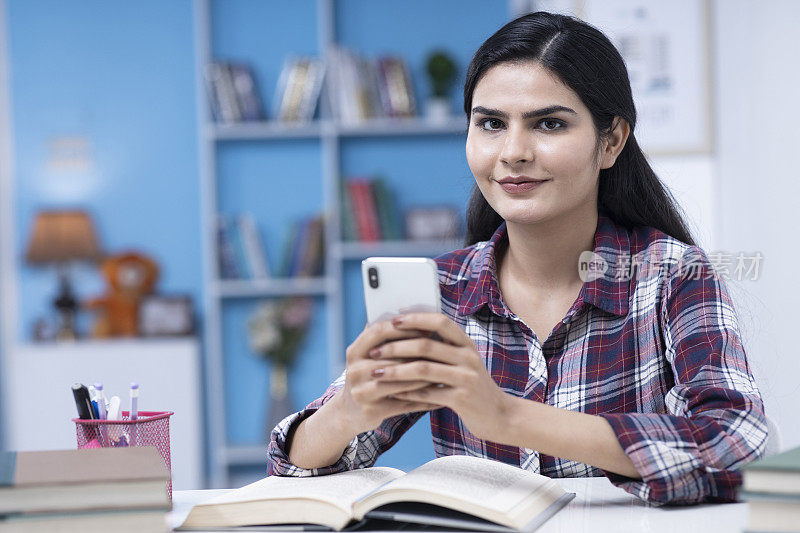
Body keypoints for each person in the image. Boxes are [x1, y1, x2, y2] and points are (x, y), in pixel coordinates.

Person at [267, 11, 767, 504]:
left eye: (548, 123)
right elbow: (295, 463)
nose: (513, 152)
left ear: (610, 141)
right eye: (490, 123)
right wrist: (353, 408)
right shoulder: (442, 292)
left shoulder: (675, 275)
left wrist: (507, 418)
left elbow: (737, 445)